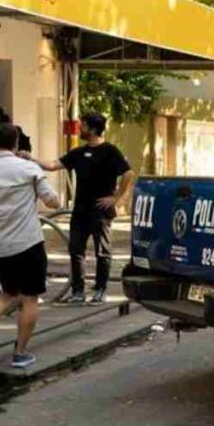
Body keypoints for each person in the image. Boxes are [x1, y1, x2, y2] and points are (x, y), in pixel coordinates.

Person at [0, 123, 60, 368]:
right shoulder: (28, 168)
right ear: (16, 142)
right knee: (30, 297)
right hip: (28, 241)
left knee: (9, 291)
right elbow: (53, 201)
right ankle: (21, 352)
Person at [25, 112, 133, 305]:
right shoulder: (78, 153)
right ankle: (78, 291)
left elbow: (128, 173)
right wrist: (30, 159)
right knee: (76, 250)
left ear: (92, 129)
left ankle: (100, 290)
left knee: (102, 251)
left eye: (82, 125)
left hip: (100, 210)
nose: (79, 129)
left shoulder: (110, 151)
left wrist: (116, 198)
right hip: (80, 209)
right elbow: (52, 165)